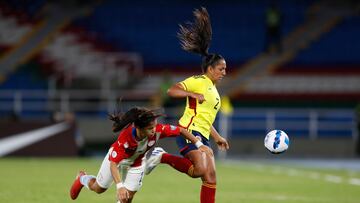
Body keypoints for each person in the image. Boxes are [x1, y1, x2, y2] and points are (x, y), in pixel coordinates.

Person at [145, 7, 229, 203]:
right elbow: (171, 90)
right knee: (200, 170)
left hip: (203, 135)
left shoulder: (214, 91)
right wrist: (191, 93)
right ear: (210, 69)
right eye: (221, 68)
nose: (224, 72)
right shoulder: (198, 80)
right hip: (189, 131)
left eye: (225, 69)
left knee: (211, 177)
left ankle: (162, 157)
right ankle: (162, 156)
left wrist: (217, 137)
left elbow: (205, 120)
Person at [69, 107, 212, 203]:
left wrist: (199, 145)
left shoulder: (157, 130)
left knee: (126, 199)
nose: (154, 130)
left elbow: (181, 131)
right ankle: (82, 178)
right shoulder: (126, 139)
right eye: (150, 128)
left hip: (136, 164)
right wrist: (119, 186)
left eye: (155, 126)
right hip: (116, 162)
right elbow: (113, 164)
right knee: (99, 189)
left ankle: (156, 156)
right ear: (138, 128)